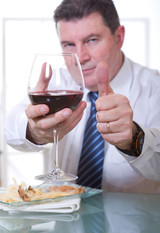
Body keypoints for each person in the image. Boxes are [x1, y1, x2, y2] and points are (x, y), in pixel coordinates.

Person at [4, 0, 160, 193]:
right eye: (69, 44)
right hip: (66, 219)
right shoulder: (60, 84)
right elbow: (9, 129)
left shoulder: (155, 87)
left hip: (134, 221)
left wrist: (134, 139)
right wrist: (34, 131)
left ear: (119, 37)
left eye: (91, 40)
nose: (81, 56)